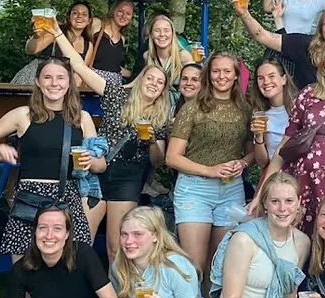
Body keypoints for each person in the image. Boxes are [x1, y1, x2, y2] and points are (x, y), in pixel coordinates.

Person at [50, 25, 169, 261]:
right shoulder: (115, 95)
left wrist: (154, 141)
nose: (154, 83)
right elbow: (79, 66)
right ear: (139, 79)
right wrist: (56, 33)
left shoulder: (161, 118)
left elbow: (158, 160)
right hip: (98, 170)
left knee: (118, 247)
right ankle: (78, 291)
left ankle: (116, 296)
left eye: (160, 82)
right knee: (81, 240)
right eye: (150, 78)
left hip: (128, 177)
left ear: (163, 90)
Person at [0, 57, 104, 259]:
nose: (54, 83)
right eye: (47, 77)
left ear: (70, 82)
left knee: (69, 270)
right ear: (38, 82)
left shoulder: (82, 118)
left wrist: (91, 161)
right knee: (24, 271)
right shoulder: (23, 115)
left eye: (60, 77)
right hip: (30, 200)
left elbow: (101, 166)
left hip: (68, 199)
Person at [255, 37, 325, 233]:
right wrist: (261, 193)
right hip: (301, 184)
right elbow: (285, 146)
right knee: (296, 242)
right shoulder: (308, 94)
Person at [165, 51, 254, 274]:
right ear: (208, 75)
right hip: (195, 189)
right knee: (195, 267)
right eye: (216, 71)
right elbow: (172, 157)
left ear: (236, 76)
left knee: (220, 268)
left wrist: (242, 163)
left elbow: (253, 153)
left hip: (231, 190)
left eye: (227, 71)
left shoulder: (245, 109)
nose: (221, 76)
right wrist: (210, 170)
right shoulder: (192, 108)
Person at [13, 0, 94, 85]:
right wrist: (36, 36)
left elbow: (80, 75)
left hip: (60, 85)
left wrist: (71, 93)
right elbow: (30, 50)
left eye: (84, 14)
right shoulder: (54, 32)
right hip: (36, 77)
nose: (79, 16)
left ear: (89, 21)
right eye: (75, 13)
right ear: (68, 18)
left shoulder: (88, 45)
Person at [248, 59, 298, 166]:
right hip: (274, 174)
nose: (266, 82)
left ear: (284, 79)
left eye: (271, 76)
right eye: (261, 78)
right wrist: (258, 137)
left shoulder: (299, 107)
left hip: (298, 173)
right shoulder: (260, 113)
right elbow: (262, 163)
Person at [132, 14, 194, 95]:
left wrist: (199, 63)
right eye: (157, 30)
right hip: (155, 102)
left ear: (172, 34)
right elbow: (141, 77)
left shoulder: (182, 55)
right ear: (151, 35)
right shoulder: (148, 56)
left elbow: (196, 79)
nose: (162, 34)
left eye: (166, 30)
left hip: (179, 104)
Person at [89, 0, 136, 76]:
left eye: (128, 13)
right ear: (113, 10)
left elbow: (113, 66)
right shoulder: (97, 24)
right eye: (120, 11)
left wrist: (136, 76)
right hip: (93, 80)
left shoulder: (122, 39)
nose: (124, 16)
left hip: (115, 82)